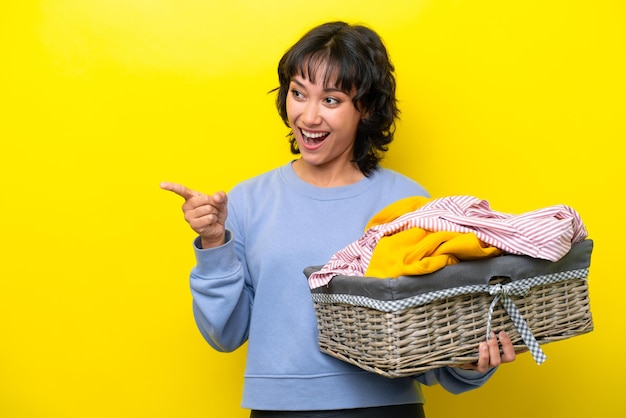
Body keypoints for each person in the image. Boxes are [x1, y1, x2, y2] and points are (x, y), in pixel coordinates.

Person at [161, 21, 518, 418]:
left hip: (385, 409)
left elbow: (429, 335)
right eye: (299, 94)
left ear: (364, 108)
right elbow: (225, 334)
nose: (309, 116)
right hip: (279, 411)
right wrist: (214, 243)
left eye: (331, 100)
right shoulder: (246, 201)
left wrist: (470, 365)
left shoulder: (407, 202)